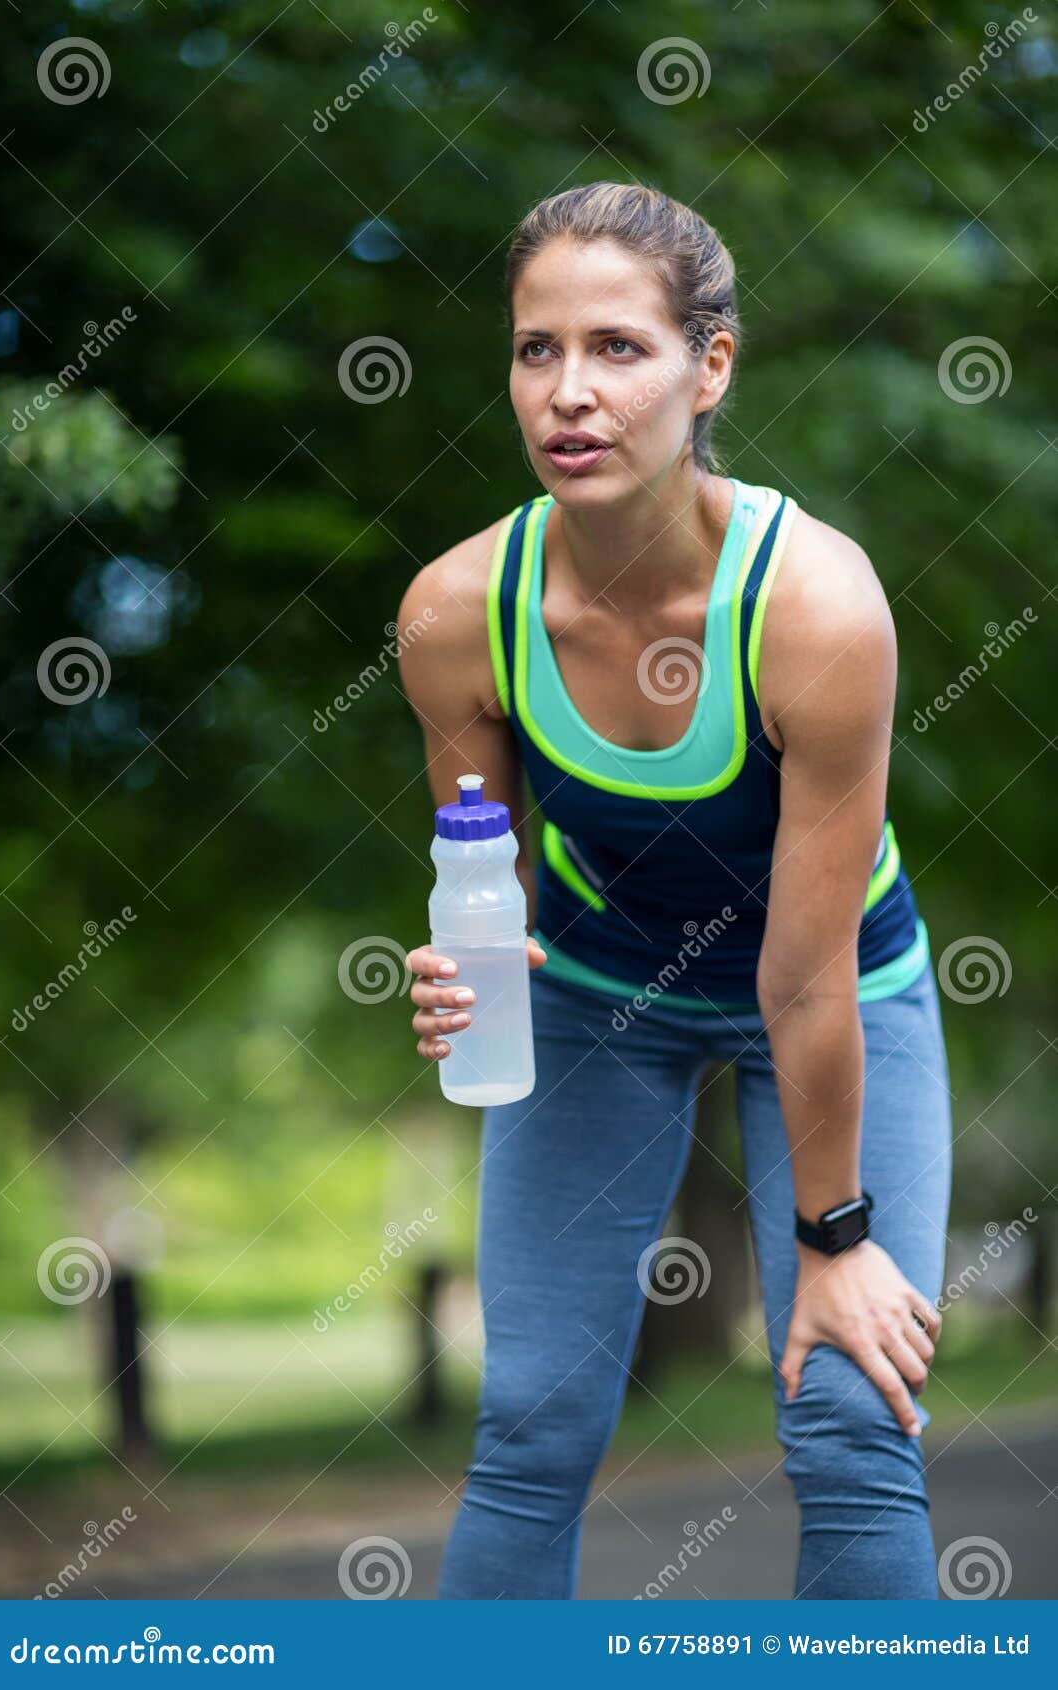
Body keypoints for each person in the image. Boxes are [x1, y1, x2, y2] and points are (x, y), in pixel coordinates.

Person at [397, 182, 951, 1600]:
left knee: (850, 1414)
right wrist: (469, 966)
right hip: (599, 996)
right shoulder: (458, 613)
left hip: (836, 992)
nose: (568, 393)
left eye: (618, 348)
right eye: (536, 349)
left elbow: (803, 978)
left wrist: (835, 1242)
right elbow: (486, 874)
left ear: (711, 367)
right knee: (530, 1425)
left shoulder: (815, 606)